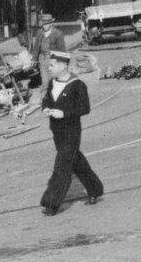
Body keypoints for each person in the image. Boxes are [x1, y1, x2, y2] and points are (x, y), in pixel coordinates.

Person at [38, 52, 104, 215]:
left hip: (71, 130)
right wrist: (46, 107)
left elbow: (84, 108)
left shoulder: (77, 84)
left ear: (63, 65)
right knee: (75, 161)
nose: (50, 68)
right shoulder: (53, 82)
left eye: (52, 65)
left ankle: (52, 202)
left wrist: (64, 113)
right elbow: (47, 99)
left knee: (62, 165)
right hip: (56, 130)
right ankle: (94, 189)